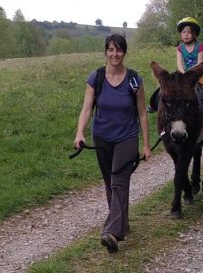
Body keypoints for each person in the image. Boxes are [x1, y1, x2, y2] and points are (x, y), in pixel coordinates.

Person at [74, 34, 151, 254]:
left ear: (124, 53)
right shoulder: (96, 77)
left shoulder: (134, 79)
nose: (114, 54)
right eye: (110, 50)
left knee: (118, 181)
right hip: (102, 137)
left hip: (127, 137)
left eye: (118, 50)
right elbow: (86, 109)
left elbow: (142, 114)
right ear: (105, 52)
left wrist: (145, 144)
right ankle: (122, 223)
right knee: (110, 183)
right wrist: (80, 132)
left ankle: (113, 233)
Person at [175, 17, 203, 126]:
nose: (186, 34)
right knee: (168, 87)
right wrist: (183, 72)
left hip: (197, 73)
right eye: (183, 32)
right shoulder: (180, 48)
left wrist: (190, 73)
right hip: (183, 73)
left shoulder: (199, 46)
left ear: (194, 34)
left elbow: (199, 63)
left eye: (189, 32)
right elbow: (179, 63)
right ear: (181, 34)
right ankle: (156, 105)